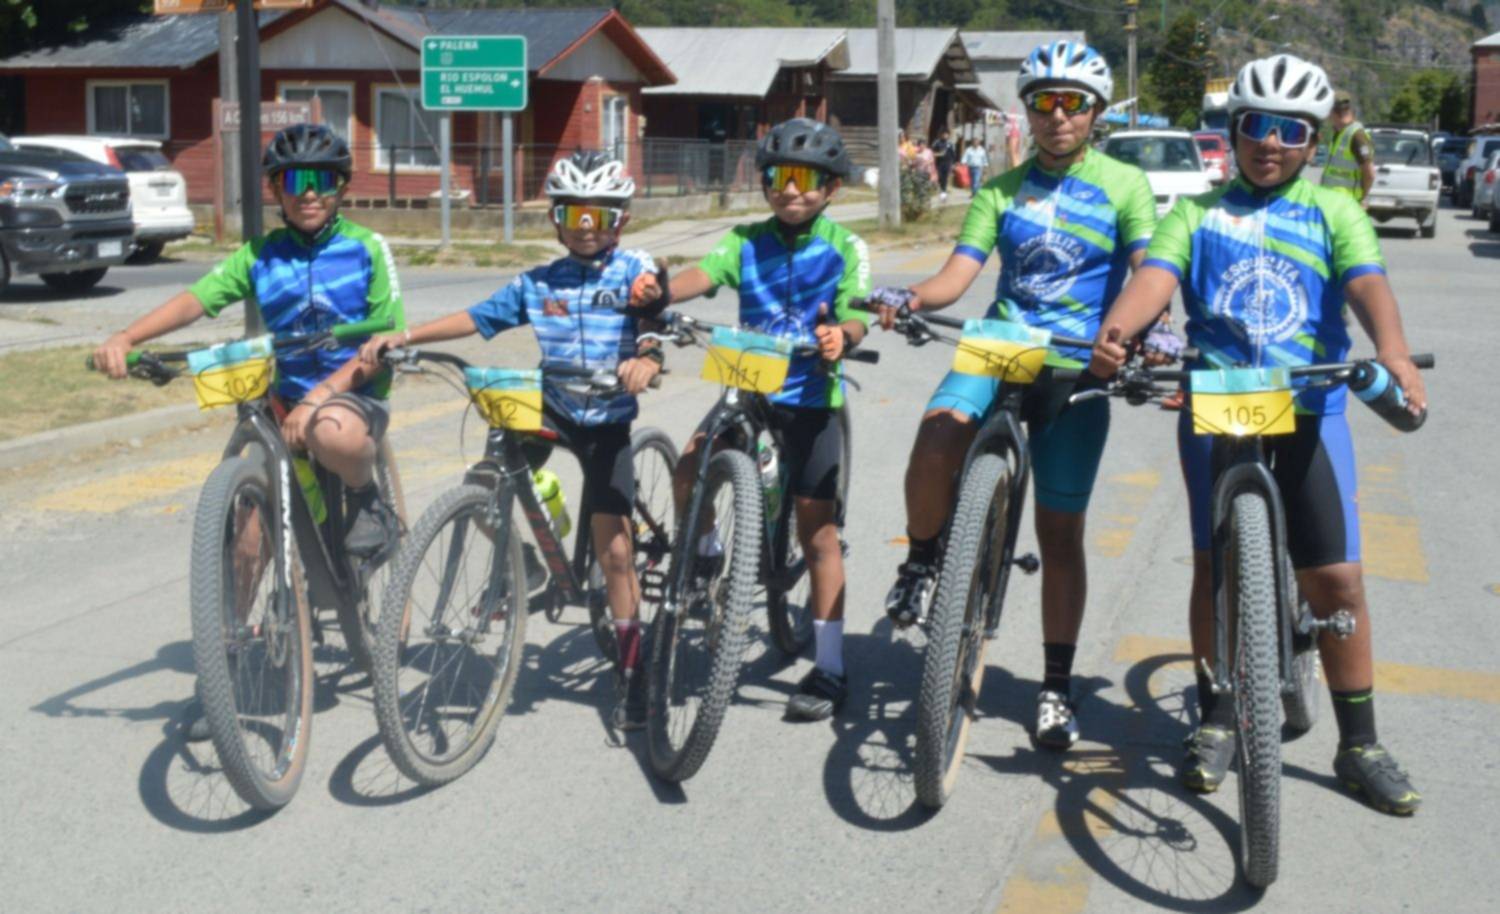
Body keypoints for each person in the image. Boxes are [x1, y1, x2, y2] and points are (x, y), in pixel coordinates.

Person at [1088, 54, 1426, 815]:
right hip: (1219, 402)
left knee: (1337, 579)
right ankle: (1216, 714)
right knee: (1215, 570)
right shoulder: (1196, 212)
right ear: (1234, 128)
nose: (1271, 142)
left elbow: (1368, 282)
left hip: (1309, 405)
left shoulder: (1333, 210)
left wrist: (1394, 350)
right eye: (1256, 125)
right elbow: (1155, 279)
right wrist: (1118, 330)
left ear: (1312, 140)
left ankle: (1360, 743)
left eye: (1290, 130)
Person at [871, 40, 1155, 751]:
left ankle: (1055, 687)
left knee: (1060, 535)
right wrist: (910, 296)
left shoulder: (1125, 185)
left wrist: (1136, 334)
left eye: (1073, 103)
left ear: (1095, 112)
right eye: (1044, 102)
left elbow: (1149, 272)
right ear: (1028, 111)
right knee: (938, 431)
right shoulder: (1000, 191)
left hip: (1077, 365)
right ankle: (922, 560)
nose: (1058, 115)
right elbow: (957, 276)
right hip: (1001, 346)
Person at [92, 123, 407, 741]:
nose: (308, 192)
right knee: (246, 539)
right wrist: (128, 337)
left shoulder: (368, 248)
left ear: (342, 187)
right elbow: (198, 298)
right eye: (294, 180)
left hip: (351, 396)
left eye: (322, 180)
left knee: (333, 434)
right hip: (280, 399)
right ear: (275, 189)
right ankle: (225, 670)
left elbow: (385, 338)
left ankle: (368, 498)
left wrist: (322, 394)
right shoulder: (261, 255)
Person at [360, 150, 667, 731]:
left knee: (616, 553)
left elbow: (654, 309)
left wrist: (648, 356)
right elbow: (477, 317)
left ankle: (633, 670)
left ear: (620, 220)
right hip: (551, 403)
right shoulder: (538, 282)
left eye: (598, 215)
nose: (585, 227)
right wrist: (406, 336)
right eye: (572, 214)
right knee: (486, 477)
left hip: (607, 417)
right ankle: (523, 558)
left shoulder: (633, 269)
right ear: (555, 219)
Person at [668, 118, 871, 721]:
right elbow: (703, 274)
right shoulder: (744, 239)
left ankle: (830, 667)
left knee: (817, 534)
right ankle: (707, 553)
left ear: (831, 188)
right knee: (688, 470)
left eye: (807, 179)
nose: (791, 190)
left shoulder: (845, 246)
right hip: (748, 388)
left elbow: (857, 311)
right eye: (780, 177)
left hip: (810, 400)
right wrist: (659, 294)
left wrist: (843, 334)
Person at [1320, 89, 1375, 204]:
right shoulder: (1339, 133)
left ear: (1333, 111)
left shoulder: (1356, 135)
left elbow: (1369, 173)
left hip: (1347, 204)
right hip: (1331, 202)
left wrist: (1363, 197)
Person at [932, 129, 955, 202]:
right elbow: (932, 152)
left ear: (948, 135)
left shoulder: (950, 143)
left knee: (945, 179)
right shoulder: (937, 142)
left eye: (946, 134)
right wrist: (939, 154)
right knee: (940, 177)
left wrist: (953, 164)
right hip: (939, 163)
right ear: (941, 135)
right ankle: (941, 189)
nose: (945, 135)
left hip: (947, 163)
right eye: (944, 134)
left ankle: (943, 195)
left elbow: (953, 154)